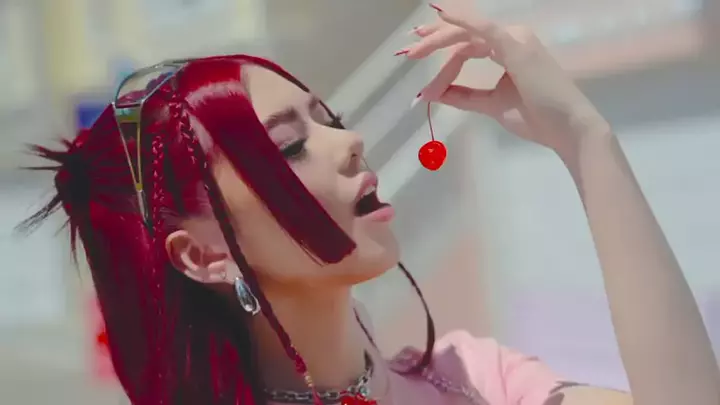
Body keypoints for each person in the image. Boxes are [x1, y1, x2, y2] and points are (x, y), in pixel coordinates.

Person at [19, 5, 719, 405]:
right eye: (291, 146)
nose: (350, 142)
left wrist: (585, 141)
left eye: (332, 119)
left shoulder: (475, 380)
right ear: (202, 255)